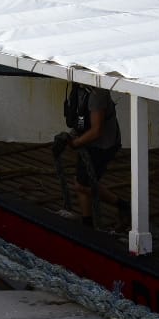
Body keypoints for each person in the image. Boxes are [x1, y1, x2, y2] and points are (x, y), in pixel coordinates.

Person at [53, 82, 123, 227]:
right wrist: (68, 139)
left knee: (82, 185)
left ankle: (122, 205)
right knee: (81, 181)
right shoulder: (78, 90)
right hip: (86, 141)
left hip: (104, 145)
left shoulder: (97, 94)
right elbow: (79, 121)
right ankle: (87, 222)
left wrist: (75, 143)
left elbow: (97, 131)